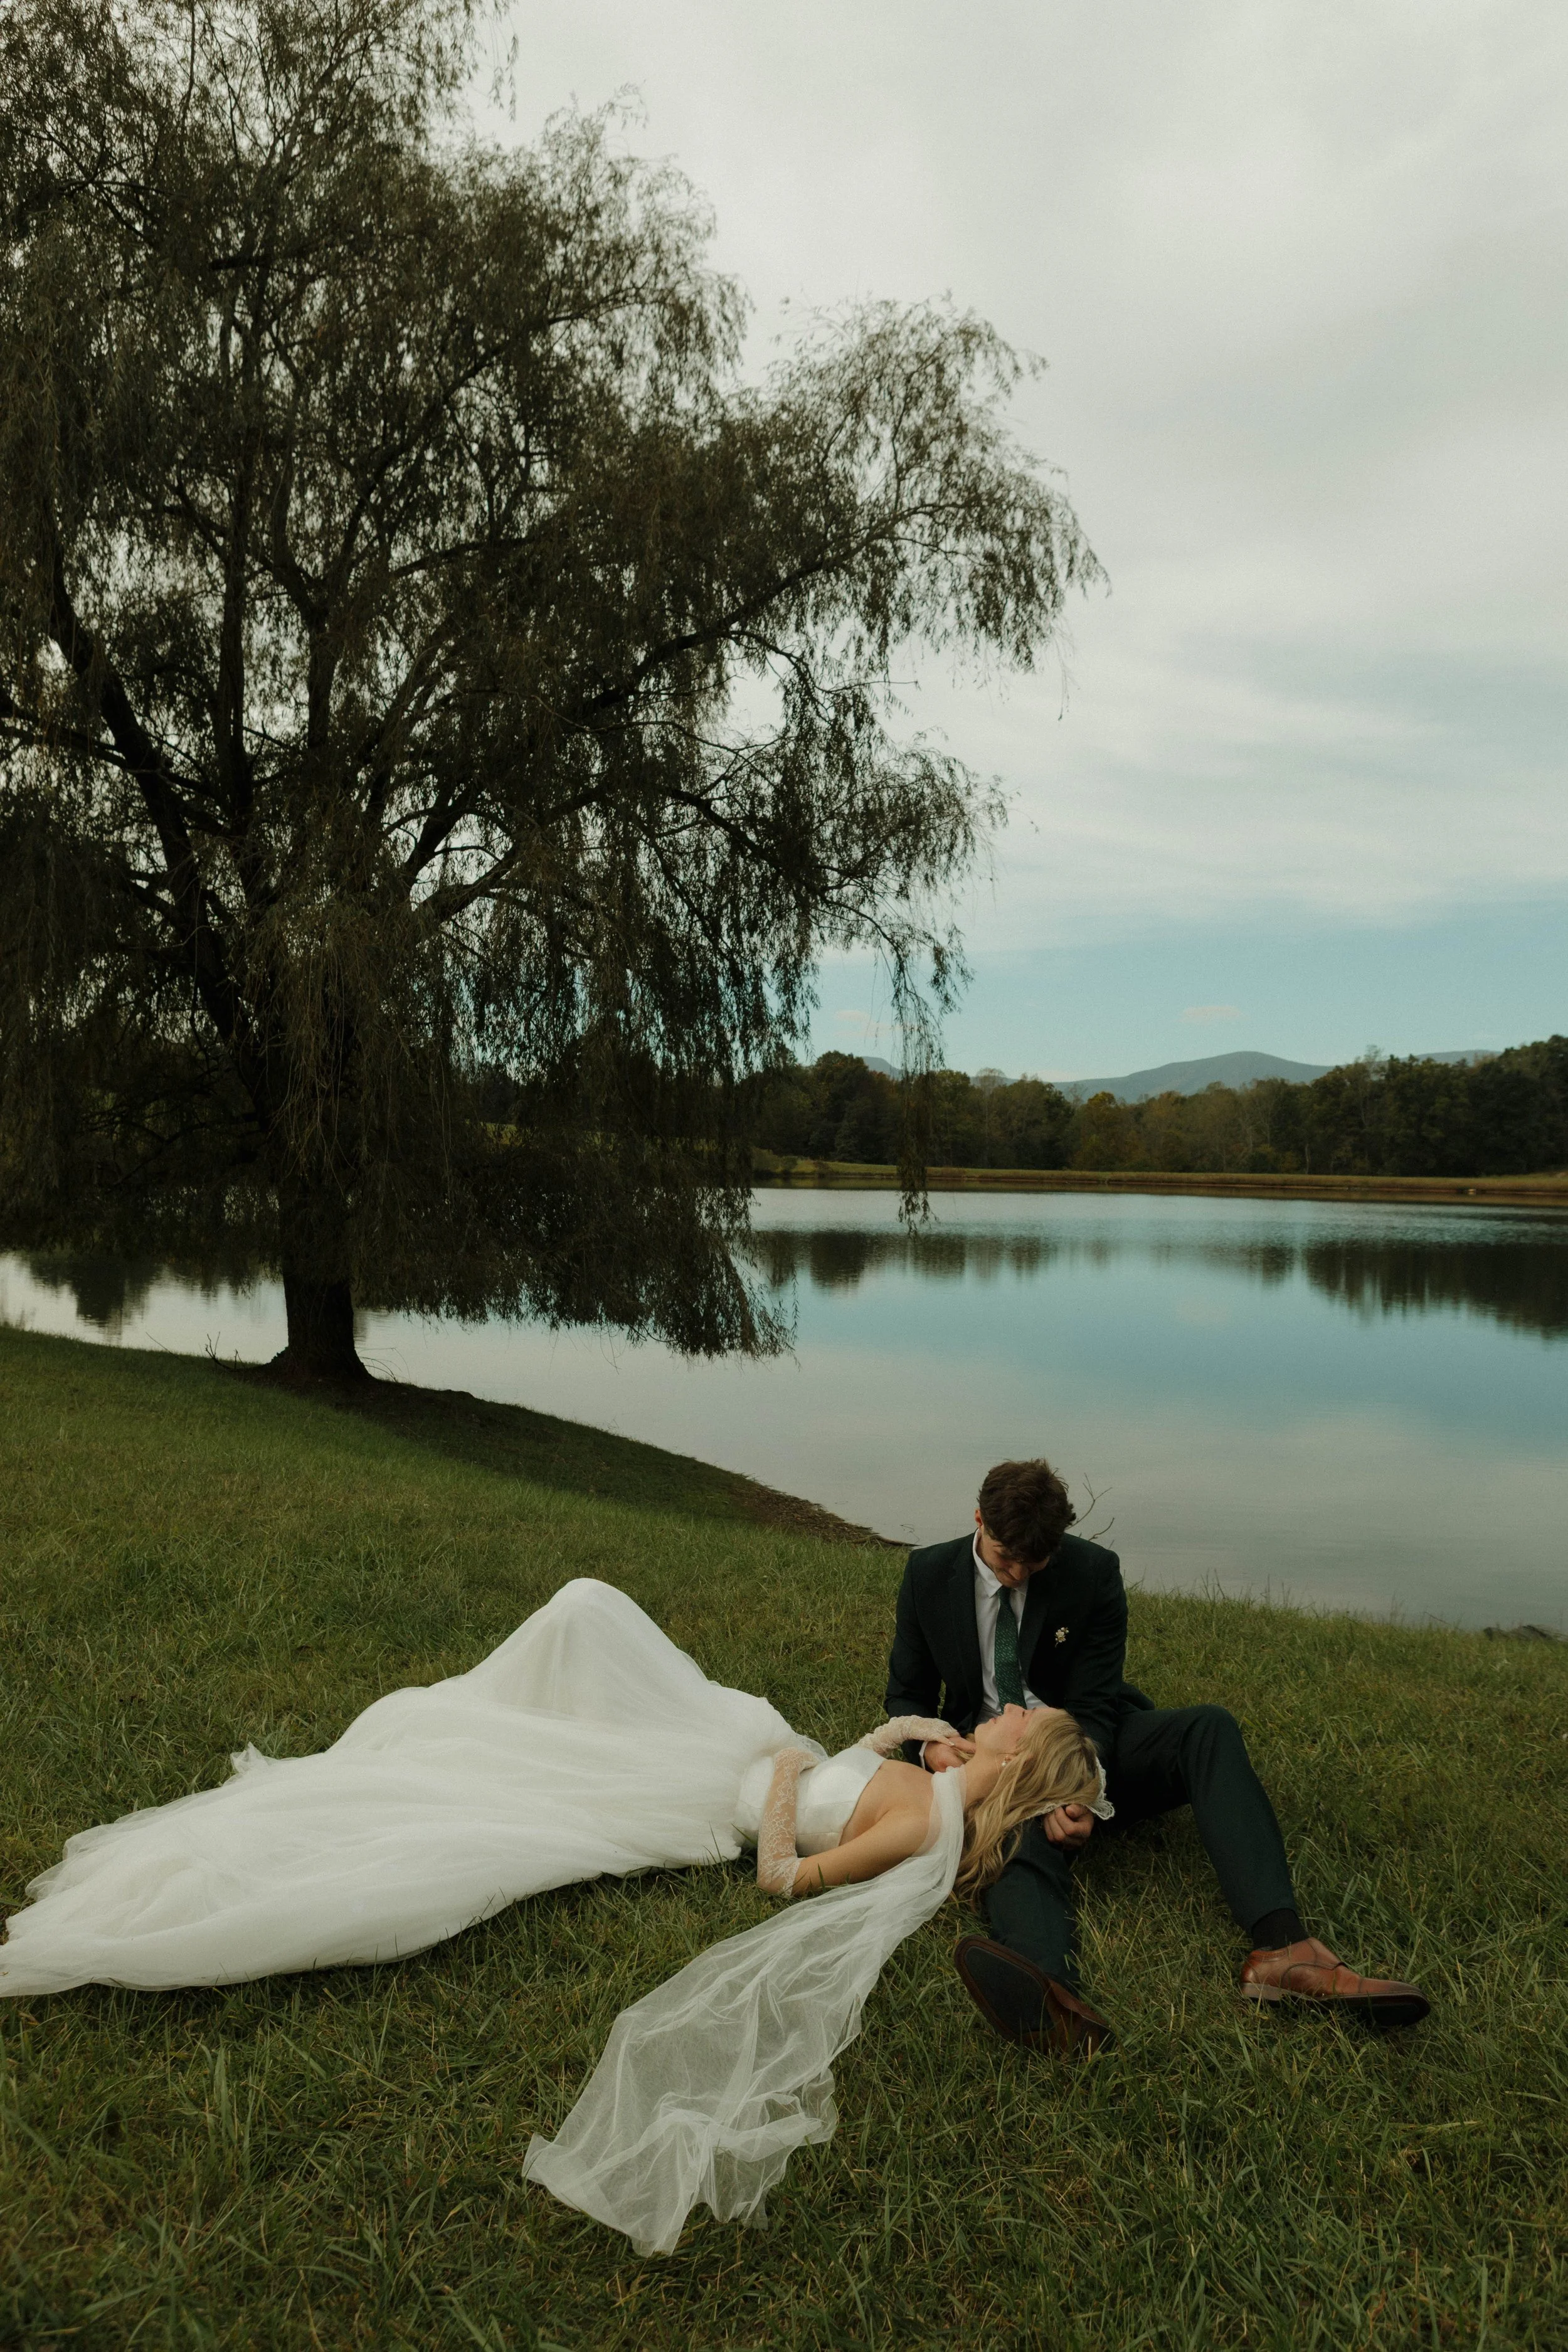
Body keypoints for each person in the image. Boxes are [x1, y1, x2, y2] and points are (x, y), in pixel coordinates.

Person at [886, 1456, 1431, 2056]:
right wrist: (934, 1748)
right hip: (989, 1754)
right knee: (1016, 1834)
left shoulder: (1093, 1574)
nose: (1015, 1574)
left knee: (1208, 1729)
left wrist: (1082, 1788)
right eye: (1003, 1557)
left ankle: (1284, 1950)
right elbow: (907, 1697)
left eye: (1032, 1563)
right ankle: (1051, 1998)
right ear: (977, 1519)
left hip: (1079, 1744)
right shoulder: (927, 1574)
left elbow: (1095, 1705)